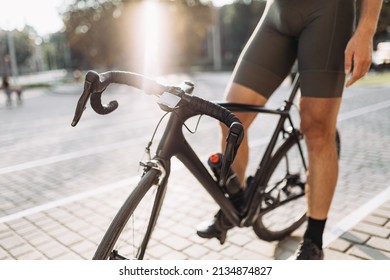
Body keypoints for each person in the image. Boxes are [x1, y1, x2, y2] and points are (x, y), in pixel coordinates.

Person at [197, 0, 383, 260]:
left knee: (317, 128)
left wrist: (366, 30)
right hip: (277, 13)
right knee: (231, 118)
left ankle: (313, 242)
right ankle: (233, 203)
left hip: (328, 12)